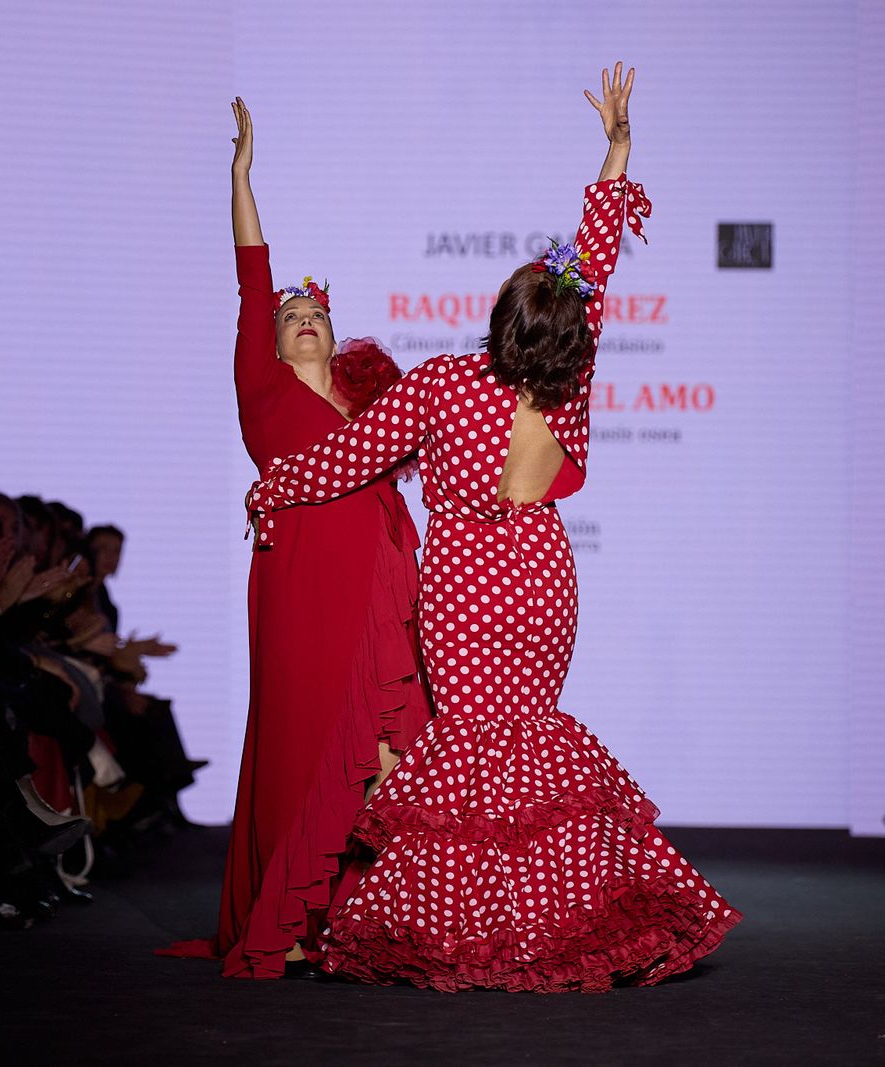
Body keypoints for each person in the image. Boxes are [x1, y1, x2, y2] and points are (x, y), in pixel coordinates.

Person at [246, 64, 740, 991]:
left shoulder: (441, 383)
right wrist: (617, 152)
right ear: (567, 343)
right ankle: (551, 926)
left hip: (467, 585)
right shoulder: (567, 390)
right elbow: (587, 279)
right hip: (543, 580)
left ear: (498, 321)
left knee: (469, 752)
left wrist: (274, 486)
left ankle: (466, 930)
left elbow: (349, 457)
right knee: (530, 740)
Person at [164, 97, 431, 980]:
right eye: (289, 315)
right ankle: (297, 916)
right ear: (271, 345)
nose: (303, 317)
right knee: (305, 740)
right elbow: (251, 275)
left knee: (392, 754)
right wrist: (242, 178)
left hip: (381, 590)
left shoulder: (372, 407)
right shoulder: (265, 394)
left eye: (315, 310)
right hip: (301, 590)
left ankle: (371, 917)